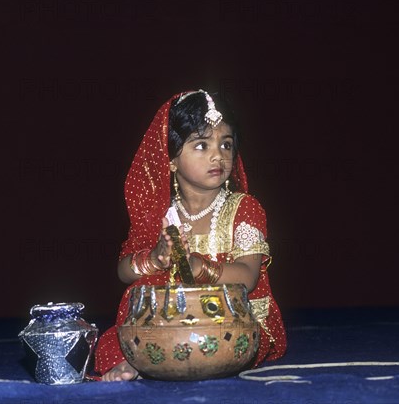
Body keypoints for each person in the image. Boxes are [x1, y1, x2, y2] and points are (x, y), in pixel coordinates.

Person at [95, 90, 287, 381]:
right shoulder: (161, 215)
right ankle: (149, 357)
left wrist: (198, 267)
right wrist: (156, 259)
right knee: (139, 295)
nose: (217, 155)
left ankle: (152, 360)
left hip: (235, 319)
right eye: (201, 145)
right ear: (170, 159)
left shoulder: (244, 208)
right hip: (176, 317)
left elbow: (248, 277)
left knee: (219, 340)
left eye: (226, 144)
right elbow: (124, 271)